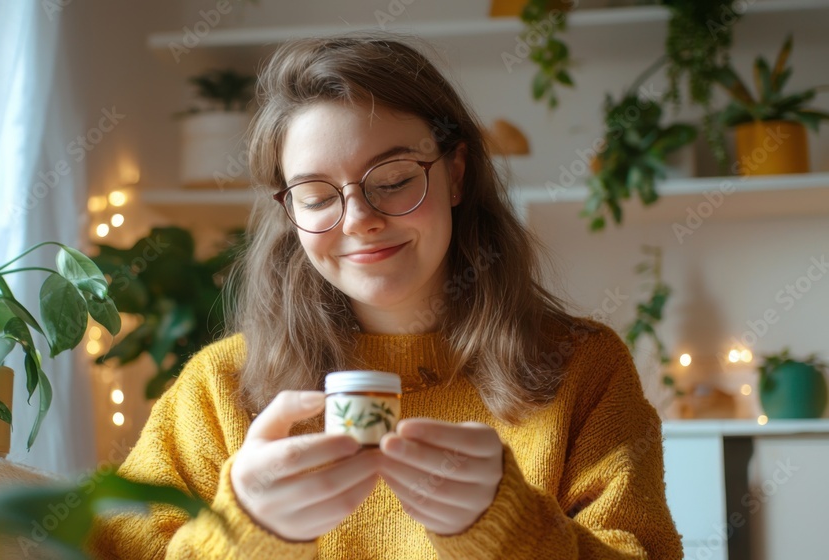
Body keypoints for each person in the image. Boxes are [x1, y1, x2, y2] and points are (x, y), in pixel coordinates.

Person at [86, 33, 682, 559]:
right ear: (289, 213)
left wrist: (508, 532)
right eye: (318, 196)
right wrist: (242, 539)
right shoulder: (221, 388)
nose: (358, 220)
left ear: (455, 173)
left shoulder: (583, 370)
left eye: (393, 180)